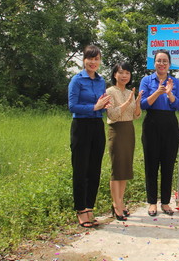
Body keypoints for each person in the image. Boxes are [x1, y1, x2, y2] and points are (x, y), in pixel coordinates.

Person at [68, 44, 111, 228]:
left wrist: (105, 105)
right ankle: (80, 209)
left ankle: (89, 207)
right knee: (81, 169)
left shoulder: (101, 81)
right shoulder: (76, 80)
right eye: (90, 59)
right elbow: (72, 106)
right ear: (84, 60)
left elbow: (102, 103)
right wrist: (95, 107)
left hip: (97, 126)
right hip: (81, 126)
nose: (93, 62)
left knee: (94, 169)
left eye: (96, 59)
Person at [139, 49, 179, 217]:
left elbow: (178, 105)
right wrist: (158, 92)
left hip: (170, 125)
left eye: (165, 61)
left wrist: (169, 93)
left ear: (169, 64)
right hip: (151, 124)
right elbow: (143, 104)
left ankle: (165, 202)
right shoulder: (146, 80)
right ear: (154, 63)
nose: (162, 64)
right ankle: (152, 202)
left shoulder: (175, 82)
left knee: (168, 164)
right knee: (151, 164)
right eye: (159, 61)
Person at [106, 62, 143, 221]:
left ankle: (121, 202)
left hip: (129, 130)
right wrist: (127, 102)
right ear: (115, 74)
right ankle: (116, 204)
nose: (124, 76)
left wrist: (137, 102)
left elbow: (136, 115)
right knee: (117, 168)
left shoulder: (130, 92)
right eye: (121, 72)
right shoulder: (109, 92)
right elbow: (112, 114)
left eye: (127, 73)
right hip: (116, 130)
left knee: (125, 168)